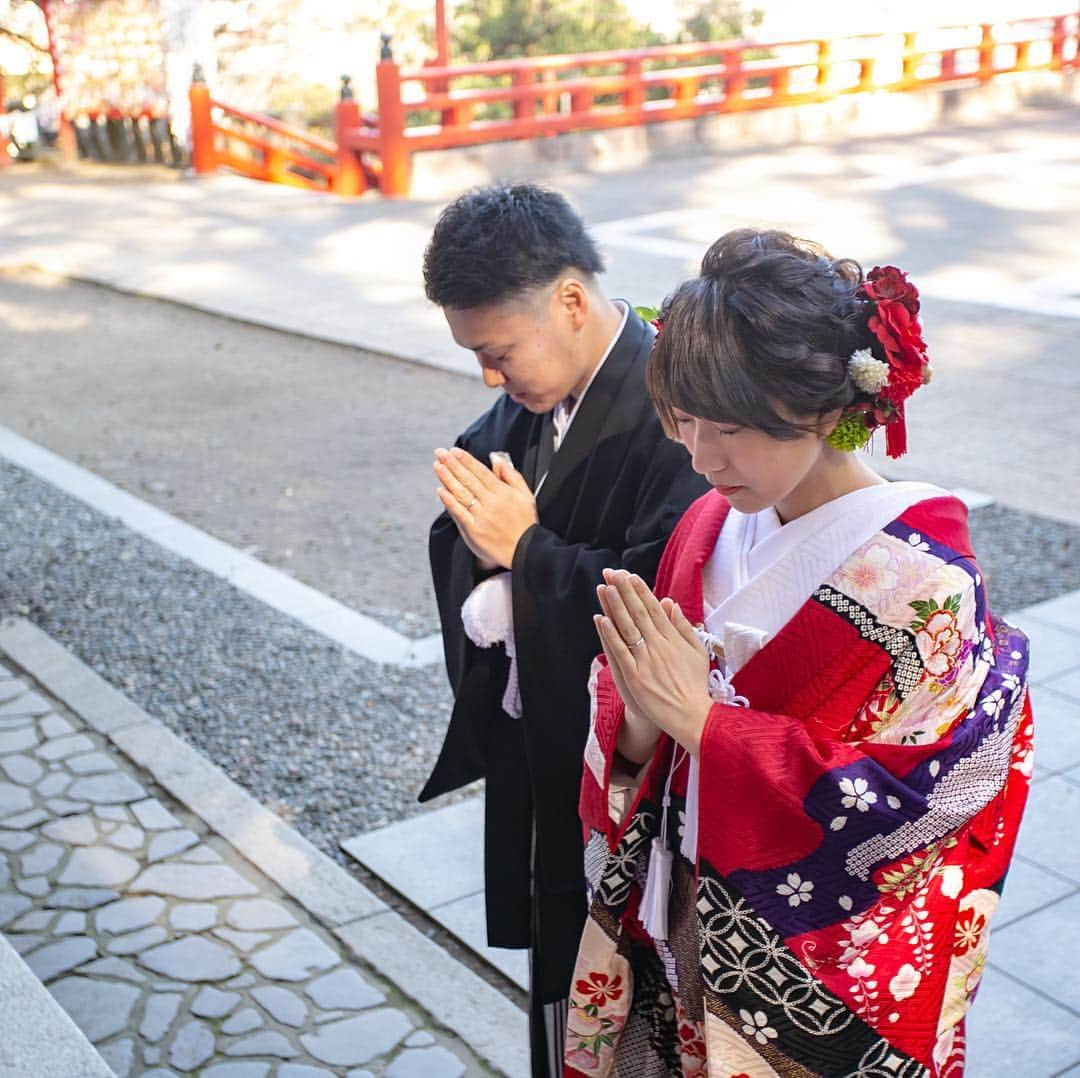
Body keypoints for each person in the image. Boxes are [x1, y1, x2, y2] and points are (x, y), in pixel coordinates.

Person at [566, 229, 1033, 1076]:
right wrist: (638, 721)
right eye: (685, 422)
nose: (704, 458)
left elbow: (925, 802)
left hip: (799, 965)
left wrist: (709, 727)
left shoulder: (925, 589)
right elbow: (650, 726)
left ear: (826, 410)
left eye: (733, 429)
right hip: (682, 909)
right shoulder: (708, 526)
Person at [418, 183, 709, 1076]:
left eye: (499, 352)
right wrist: (488, 554)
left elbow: (668, 596)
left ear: (571, 301)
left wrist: (528, 555)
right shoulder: (526, 412)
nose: (490, 378)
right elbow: (462, 534)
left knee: (626, 985)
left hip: (629, 782)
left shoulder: (679, 413)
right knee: (558, 962)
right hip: (544, 746)